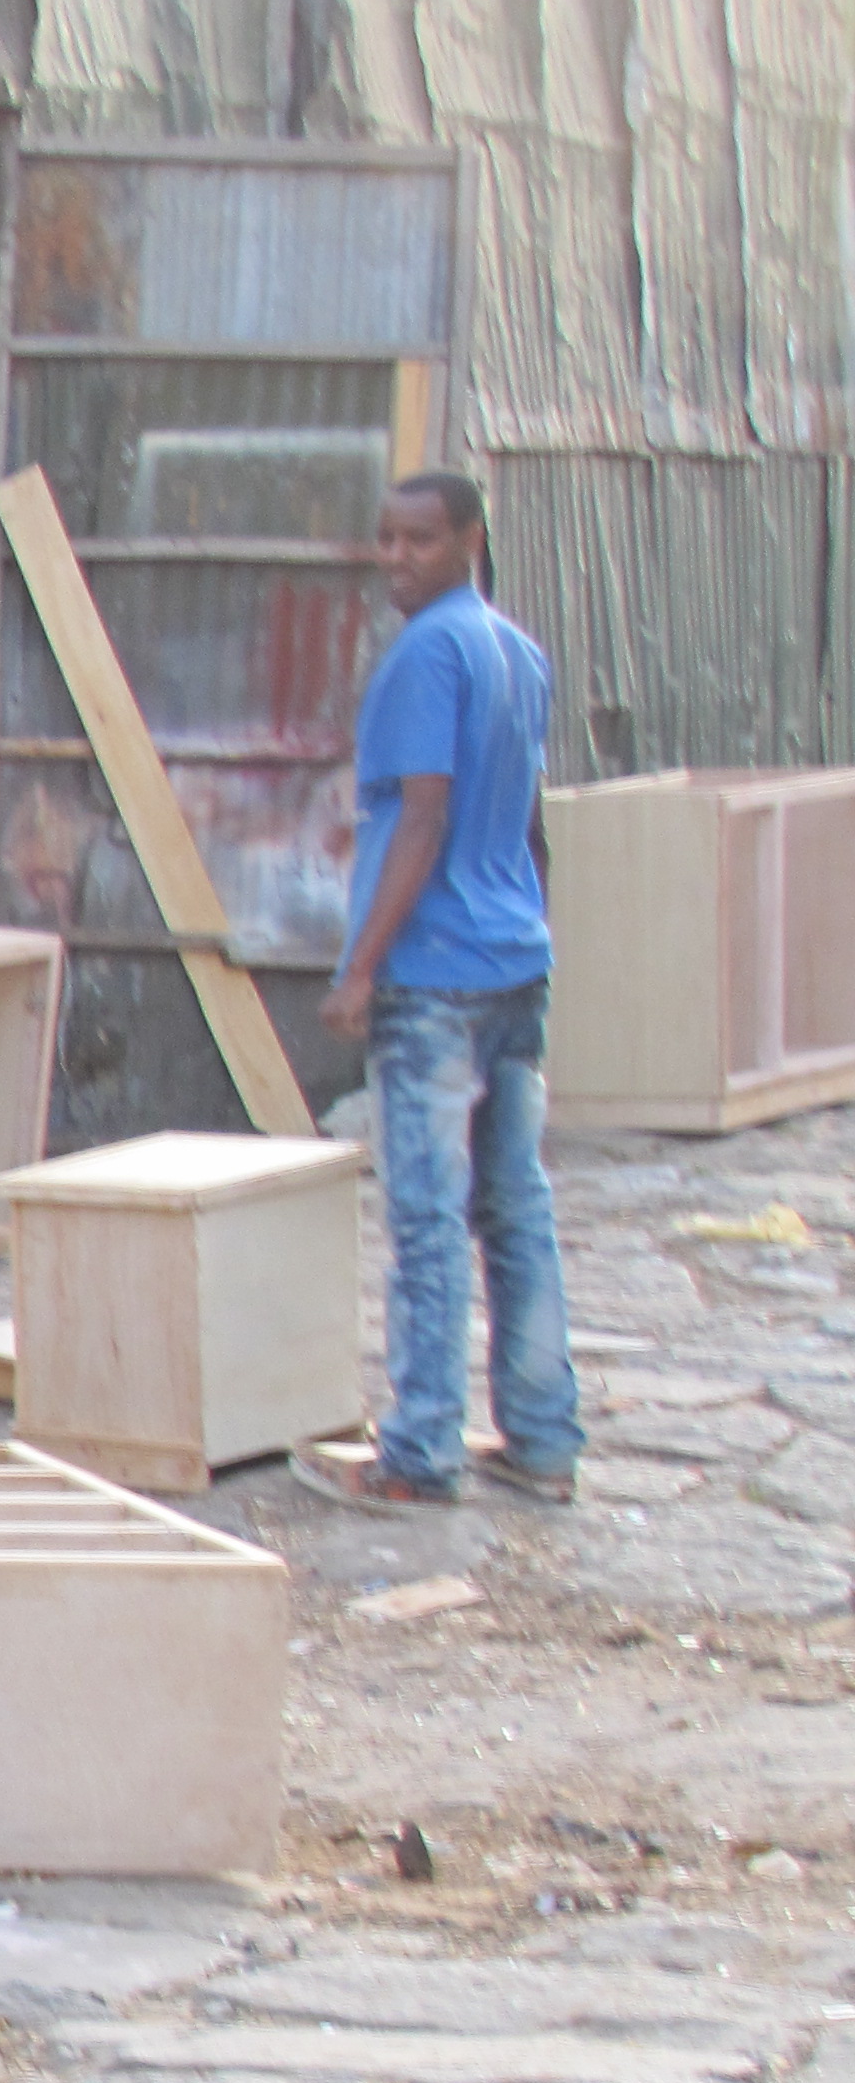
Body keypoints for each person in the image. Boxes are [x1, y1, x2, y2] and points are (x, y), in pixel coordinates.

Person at [294, 470, 583, 1512]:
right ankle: (543, 1439)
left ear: (468, 538)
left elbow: (421, 817)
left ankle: (419, 1453)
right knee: (515, 1207)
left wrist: (361, 966)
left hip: (434, 975)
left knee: (426, 1218)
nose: (397, 559)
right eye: (384, 540)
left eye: (419, 539)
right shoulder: (516, 650)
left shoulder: (424, 656)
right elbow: (522, 816)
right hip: (513, 961)